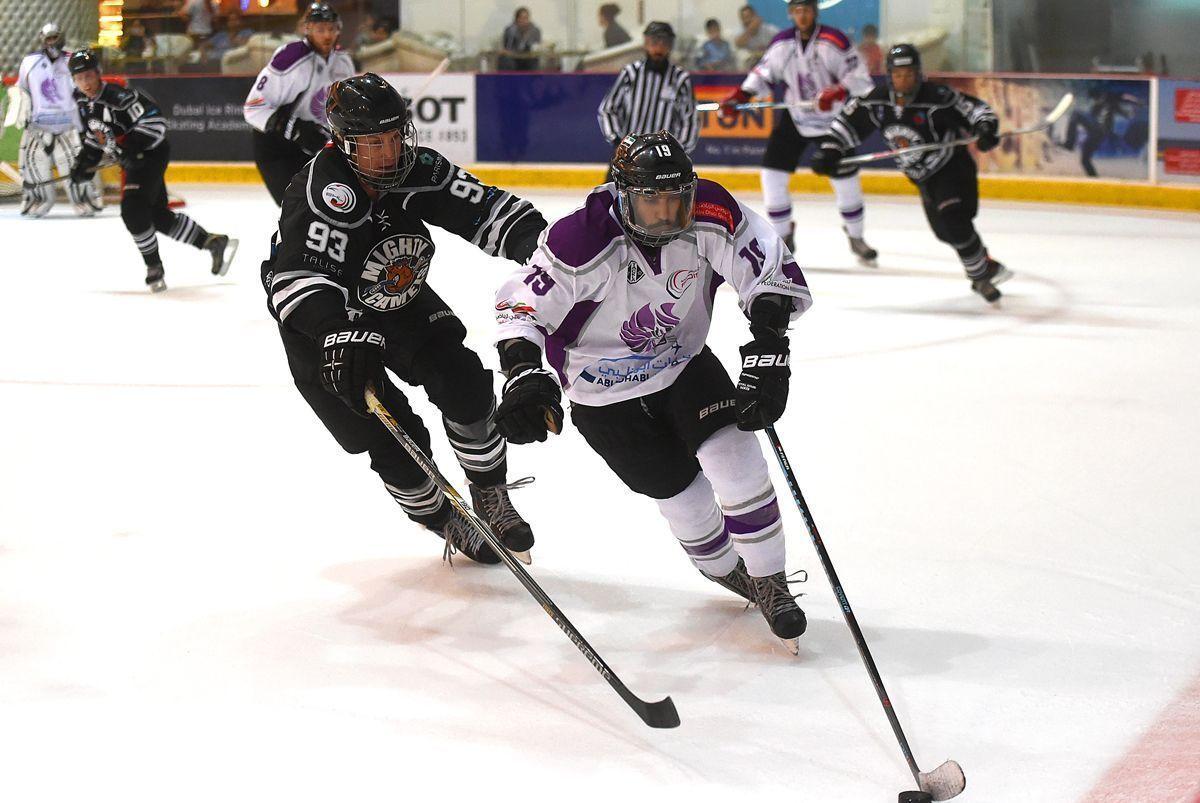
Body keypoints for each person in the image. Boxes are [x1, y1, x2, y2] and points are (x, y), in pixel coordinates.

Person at [492, 131, 812, 653]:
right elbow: (522, 308)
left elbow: (765, 268)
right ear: (621, 195)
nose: (667, 213)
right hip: (602, 393)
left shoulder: (710, 210)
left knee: (736, 455)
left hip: (684, 363)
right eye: (651, 199)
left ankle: (771, 581)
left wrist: (770, 344)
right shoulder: (582, 238)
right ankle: (724, 569)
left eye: (676, 198)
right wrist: (524, 373)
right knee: (681, 496)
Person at [262, 73, 549, 563]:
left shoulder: (417, 168)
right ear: (344, 143)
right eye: (374, 144)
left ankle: (489, 492)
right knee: (389, 434)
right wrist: (334, 332)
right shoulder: (319, 192)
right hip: (327, 327)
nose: (389, 154)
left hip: (397, 298)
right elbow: (294, 279)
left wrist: (552, 254)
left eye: (395, 138)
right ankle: (443, 517)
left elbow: (487, 210)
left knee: (463, 382)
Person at [813, 44, 1009, 302]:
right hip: (922, 178)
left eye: (909, 73)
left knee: (954, 220)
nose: (903, 80)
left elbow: (975, 110)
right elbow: (846, 123)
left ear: (918, 73)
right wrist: (830, 150)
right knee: (944, 233)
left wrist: (985, 129)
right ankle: (984, 261)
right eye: (898, 74)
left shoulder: (937, 97)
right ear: (890, 75)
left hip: (952, 168)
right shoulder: (878, 100)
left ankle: (980, 277)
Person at [720, 0, 878, 265]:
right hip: (797, 116)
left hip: (833, 122)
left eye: (806, 9)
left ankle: (856, 236)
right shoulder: (782, 42)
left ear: (815, 11)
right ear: (791, 13)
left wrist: (839, 90)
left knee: (846, 180)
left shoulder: (834, 40)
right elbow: (764, 73)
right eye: (797, 10)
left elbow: (860, 77)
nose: (802, 15)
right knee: (771, 174)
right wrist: (741, 94)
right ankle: (783, 235)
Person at [68, 49, 236, 292]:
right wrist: (84, 163)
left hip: (150, 154)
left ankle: (154, 266)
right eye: (79, 77)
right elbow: (97, 137)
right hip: (134, 159)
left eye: (88, 76)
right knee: (157, 216)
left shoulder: (119, 97)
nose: (85, 82)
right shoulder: (83, 102)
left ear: (98, 73)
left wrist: (134, 149)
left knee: (133, 211)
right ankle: (211, 242)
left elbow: (156, 121)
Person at [243, 2, 354, 205]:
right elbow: (253, 108)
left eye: (331, 29)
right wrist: (295, 129)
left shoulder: (343, 61)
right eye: (320, 29)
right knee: (296, 207)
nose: (327, 35)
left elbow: (345, 106)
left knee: (332, 204)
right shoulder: (291, 59)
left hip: (311, 143)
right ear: (307, 29)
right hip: (275, 147)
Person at [17, 23, 101, 218]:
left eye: (55, 37)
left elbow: (86, 89)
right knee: (34, 165)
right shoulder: (30, 62)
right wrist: (23, 110)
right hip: (39, 127)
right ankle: (37, 199)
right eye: (49, 38)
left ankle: (84, 200)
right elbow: (23, 90)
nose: (52, 42)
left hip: (68, 125)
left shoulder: (73, 61)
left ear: (61, 37)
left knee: (75, 164)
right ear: (42, 39)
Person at [598, 21, 698, 168]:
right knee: (610, 191)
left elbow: (689, 119)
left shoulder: (680, 78)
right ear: (645, 43)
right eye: (654, 41)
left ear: (670, 45)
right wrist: (618, 142)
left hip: (665, 161)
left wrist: (679, 151)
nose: (659, 46)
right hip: (628, 158)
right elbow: (607, 109)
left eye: (665, 41)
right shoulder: (631, 73)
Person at [500, 7, 542, 71]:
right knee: (504, 59)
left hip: (528, 57)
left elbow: (537, 46)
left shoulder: (535, 30)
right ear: (516, 19)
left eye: (526, 18)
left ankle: (532, 80)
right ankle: (507, 80)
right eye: (521, 18)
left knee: (534, 60)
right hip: (513, 57)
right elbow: (506, 47)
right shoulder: (510, 30)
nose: (524, 21)